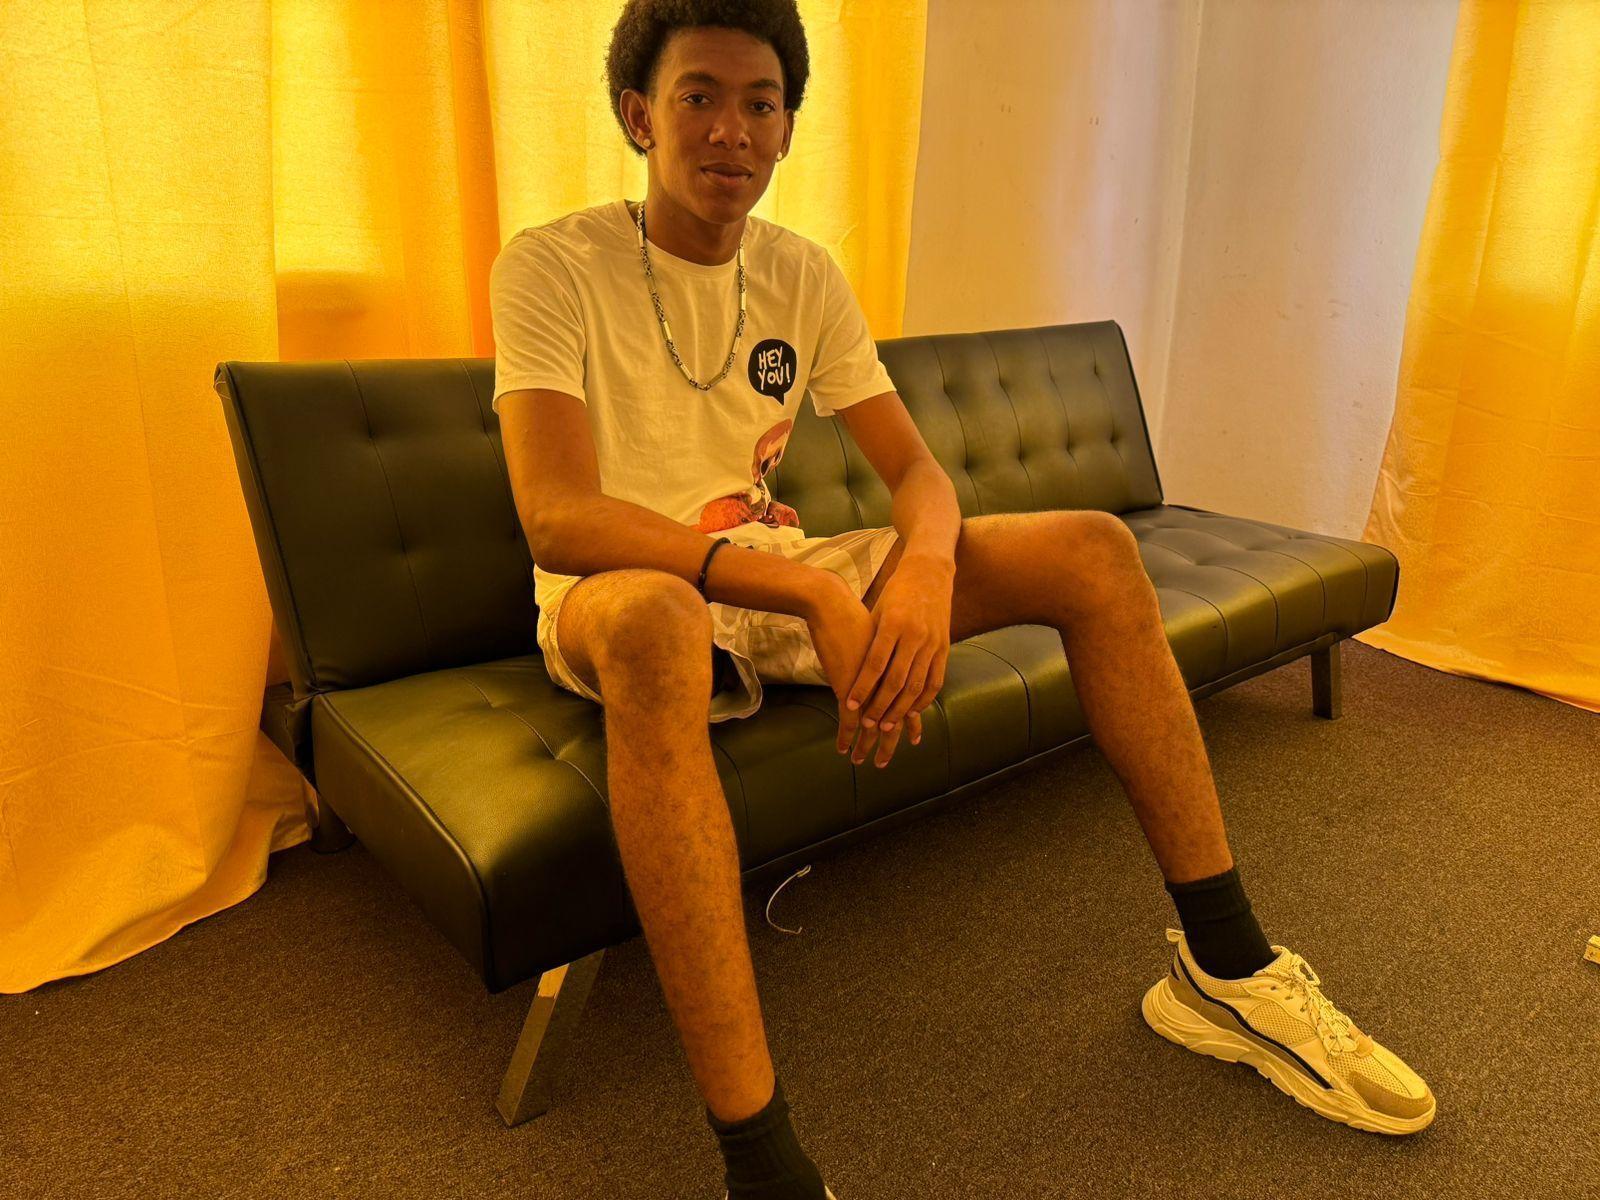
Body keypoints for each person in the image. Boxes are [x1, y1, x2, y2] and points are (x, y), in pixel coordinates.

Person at [488, 3, 1436, 1197]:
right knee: (657, 621)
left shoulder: (799, 273)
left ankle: (1224, 970)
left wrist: (923, 572)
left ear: (787, 129)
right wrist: (806, 588)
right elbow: (557, 516)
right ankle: (760, 1164)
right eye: (698, 97)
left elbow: (920, 477)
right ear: (639, 115)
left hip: (781, 567)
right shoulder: (552, 264)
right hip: (619, 593)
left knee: (1092, 549)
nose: (731, 129)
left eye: (761, 103)